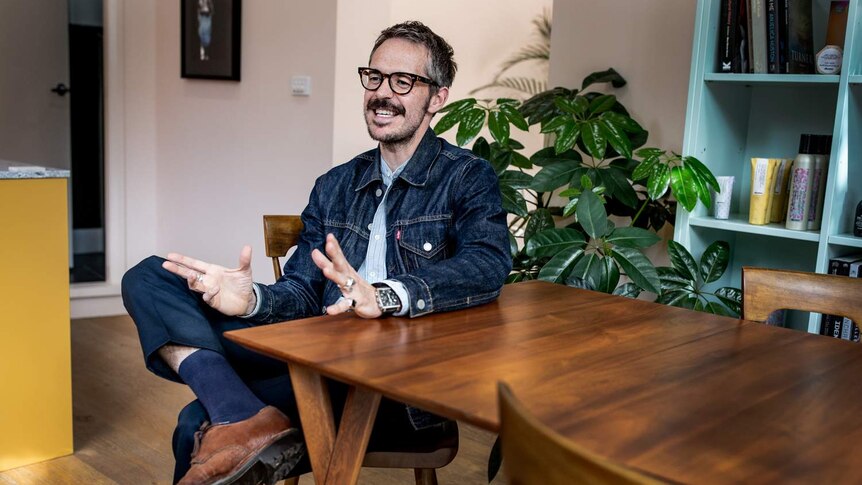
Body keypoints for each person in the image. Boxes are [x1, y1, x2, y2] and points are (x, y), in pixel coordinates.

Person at [122, 20, 511, 485]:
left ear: (437, 97)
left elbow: (487, 265)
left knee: (194, 424)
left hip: (396, 388)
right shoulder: (334, 185)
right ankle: (243, 414)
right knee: (149, 275)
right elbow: (303, 294)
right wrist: (251, 301)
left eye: (403, 82)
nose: (382, 93)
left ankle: (237, 414)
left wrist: (385, 295)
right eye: (375, 77)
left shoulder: (467, 177)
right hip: (316, 358)